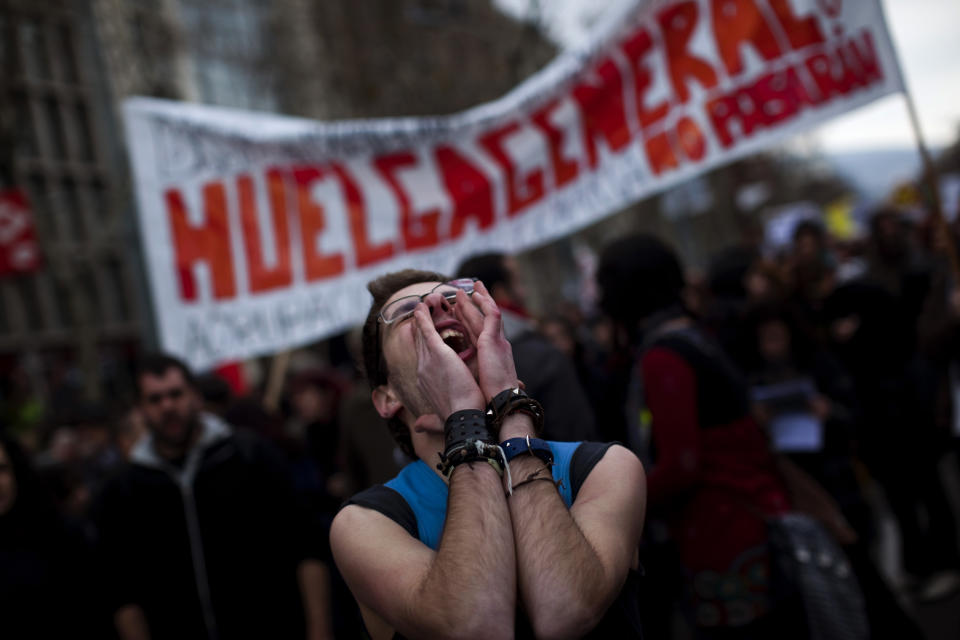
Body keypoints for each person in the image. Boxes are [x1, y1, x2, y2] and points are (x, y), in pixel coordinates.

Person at [330, 270, 646, 638]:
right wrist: (465, 419)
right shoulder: (367, 524)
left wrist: (510, 411)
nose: (436, 304)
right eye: (405, 313)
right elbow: (476, 625)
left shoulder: (604, 469)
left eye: (454, 298)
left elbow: (565, 611)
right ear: (388, 398)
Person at [598, 234, 806, 638]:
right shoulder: (692, 333)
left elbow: (681, 464)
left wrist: (618, 505)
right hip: (754, 514)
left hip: (723, 534)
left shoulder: (662, 357)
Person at [91, 353, 333, 640]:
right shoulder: (122, 490)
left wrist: (319, 631)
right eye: (155, 399)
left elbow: (306, 546)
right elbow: (122, 590)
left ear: (195, 397)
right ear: (140, 409)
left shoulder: (250, 456)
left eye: (175, 394)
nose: (167, 406)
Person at [456, 253, 599, 441]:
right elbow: (577, 440)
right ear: (500, 293)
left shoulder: (458, 363)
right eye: (519, 281)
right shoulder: (543, 357)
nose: (525, 291)